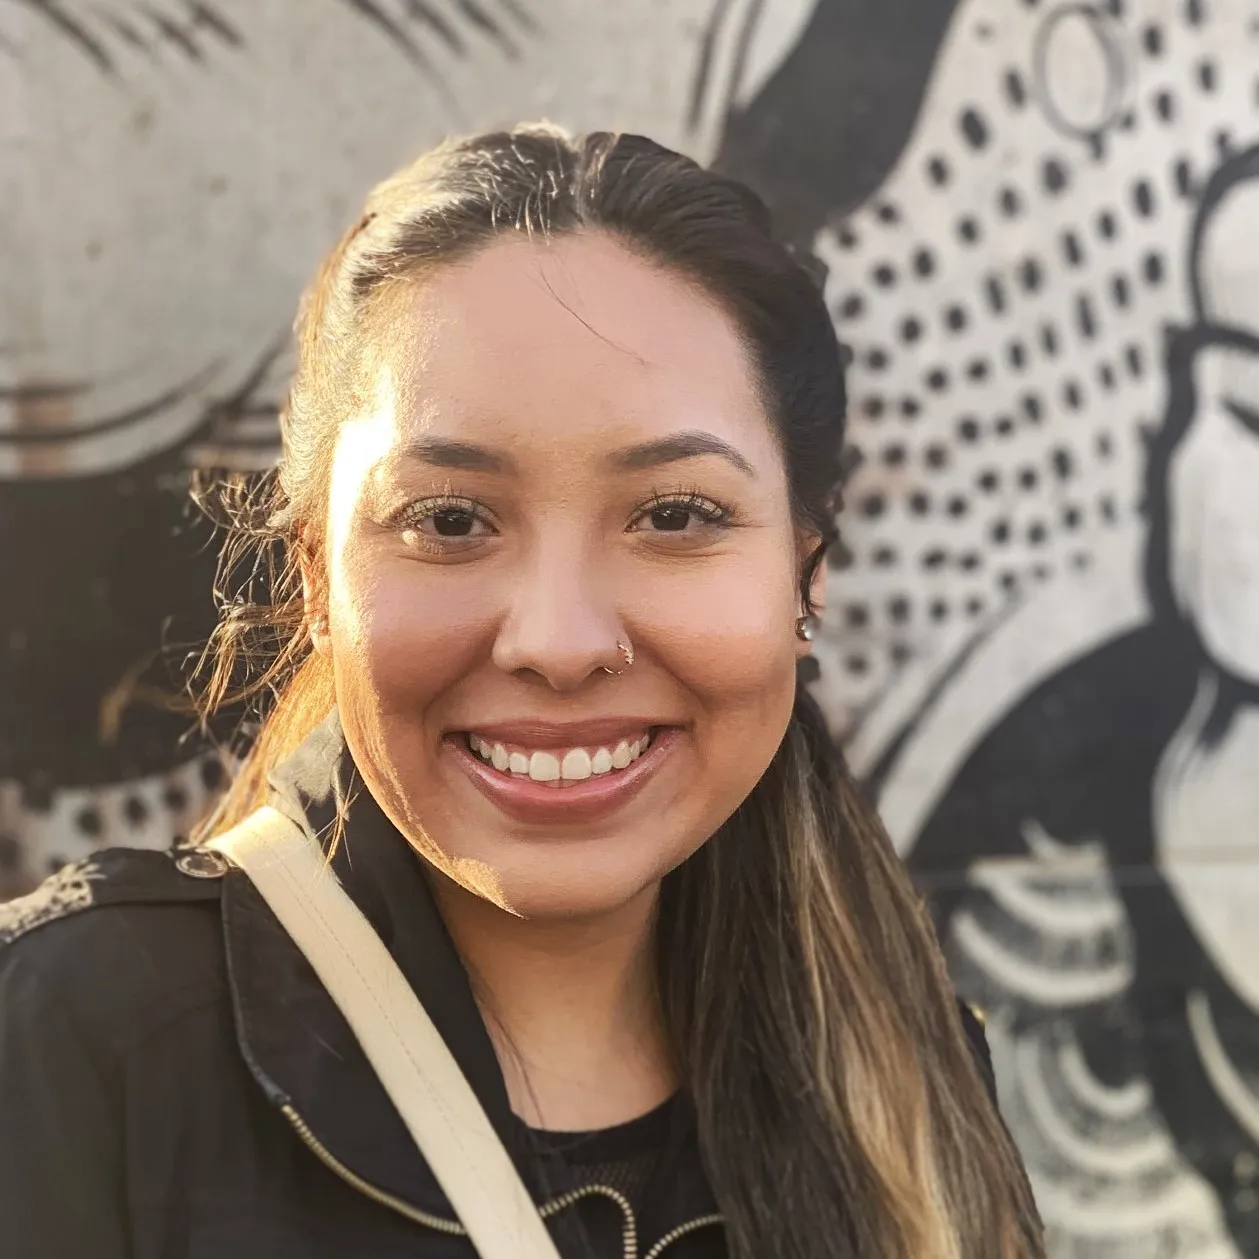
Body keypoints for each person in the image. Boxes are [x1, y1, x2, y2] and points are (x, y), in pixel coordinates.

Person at [0, 124, 1044, 1259]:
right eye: (449, 520)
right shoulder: (72, 1040)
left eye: (675, 514)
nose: (558, 642)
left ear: (804, 571)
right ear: (314, 576)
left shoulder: (914, 1088)